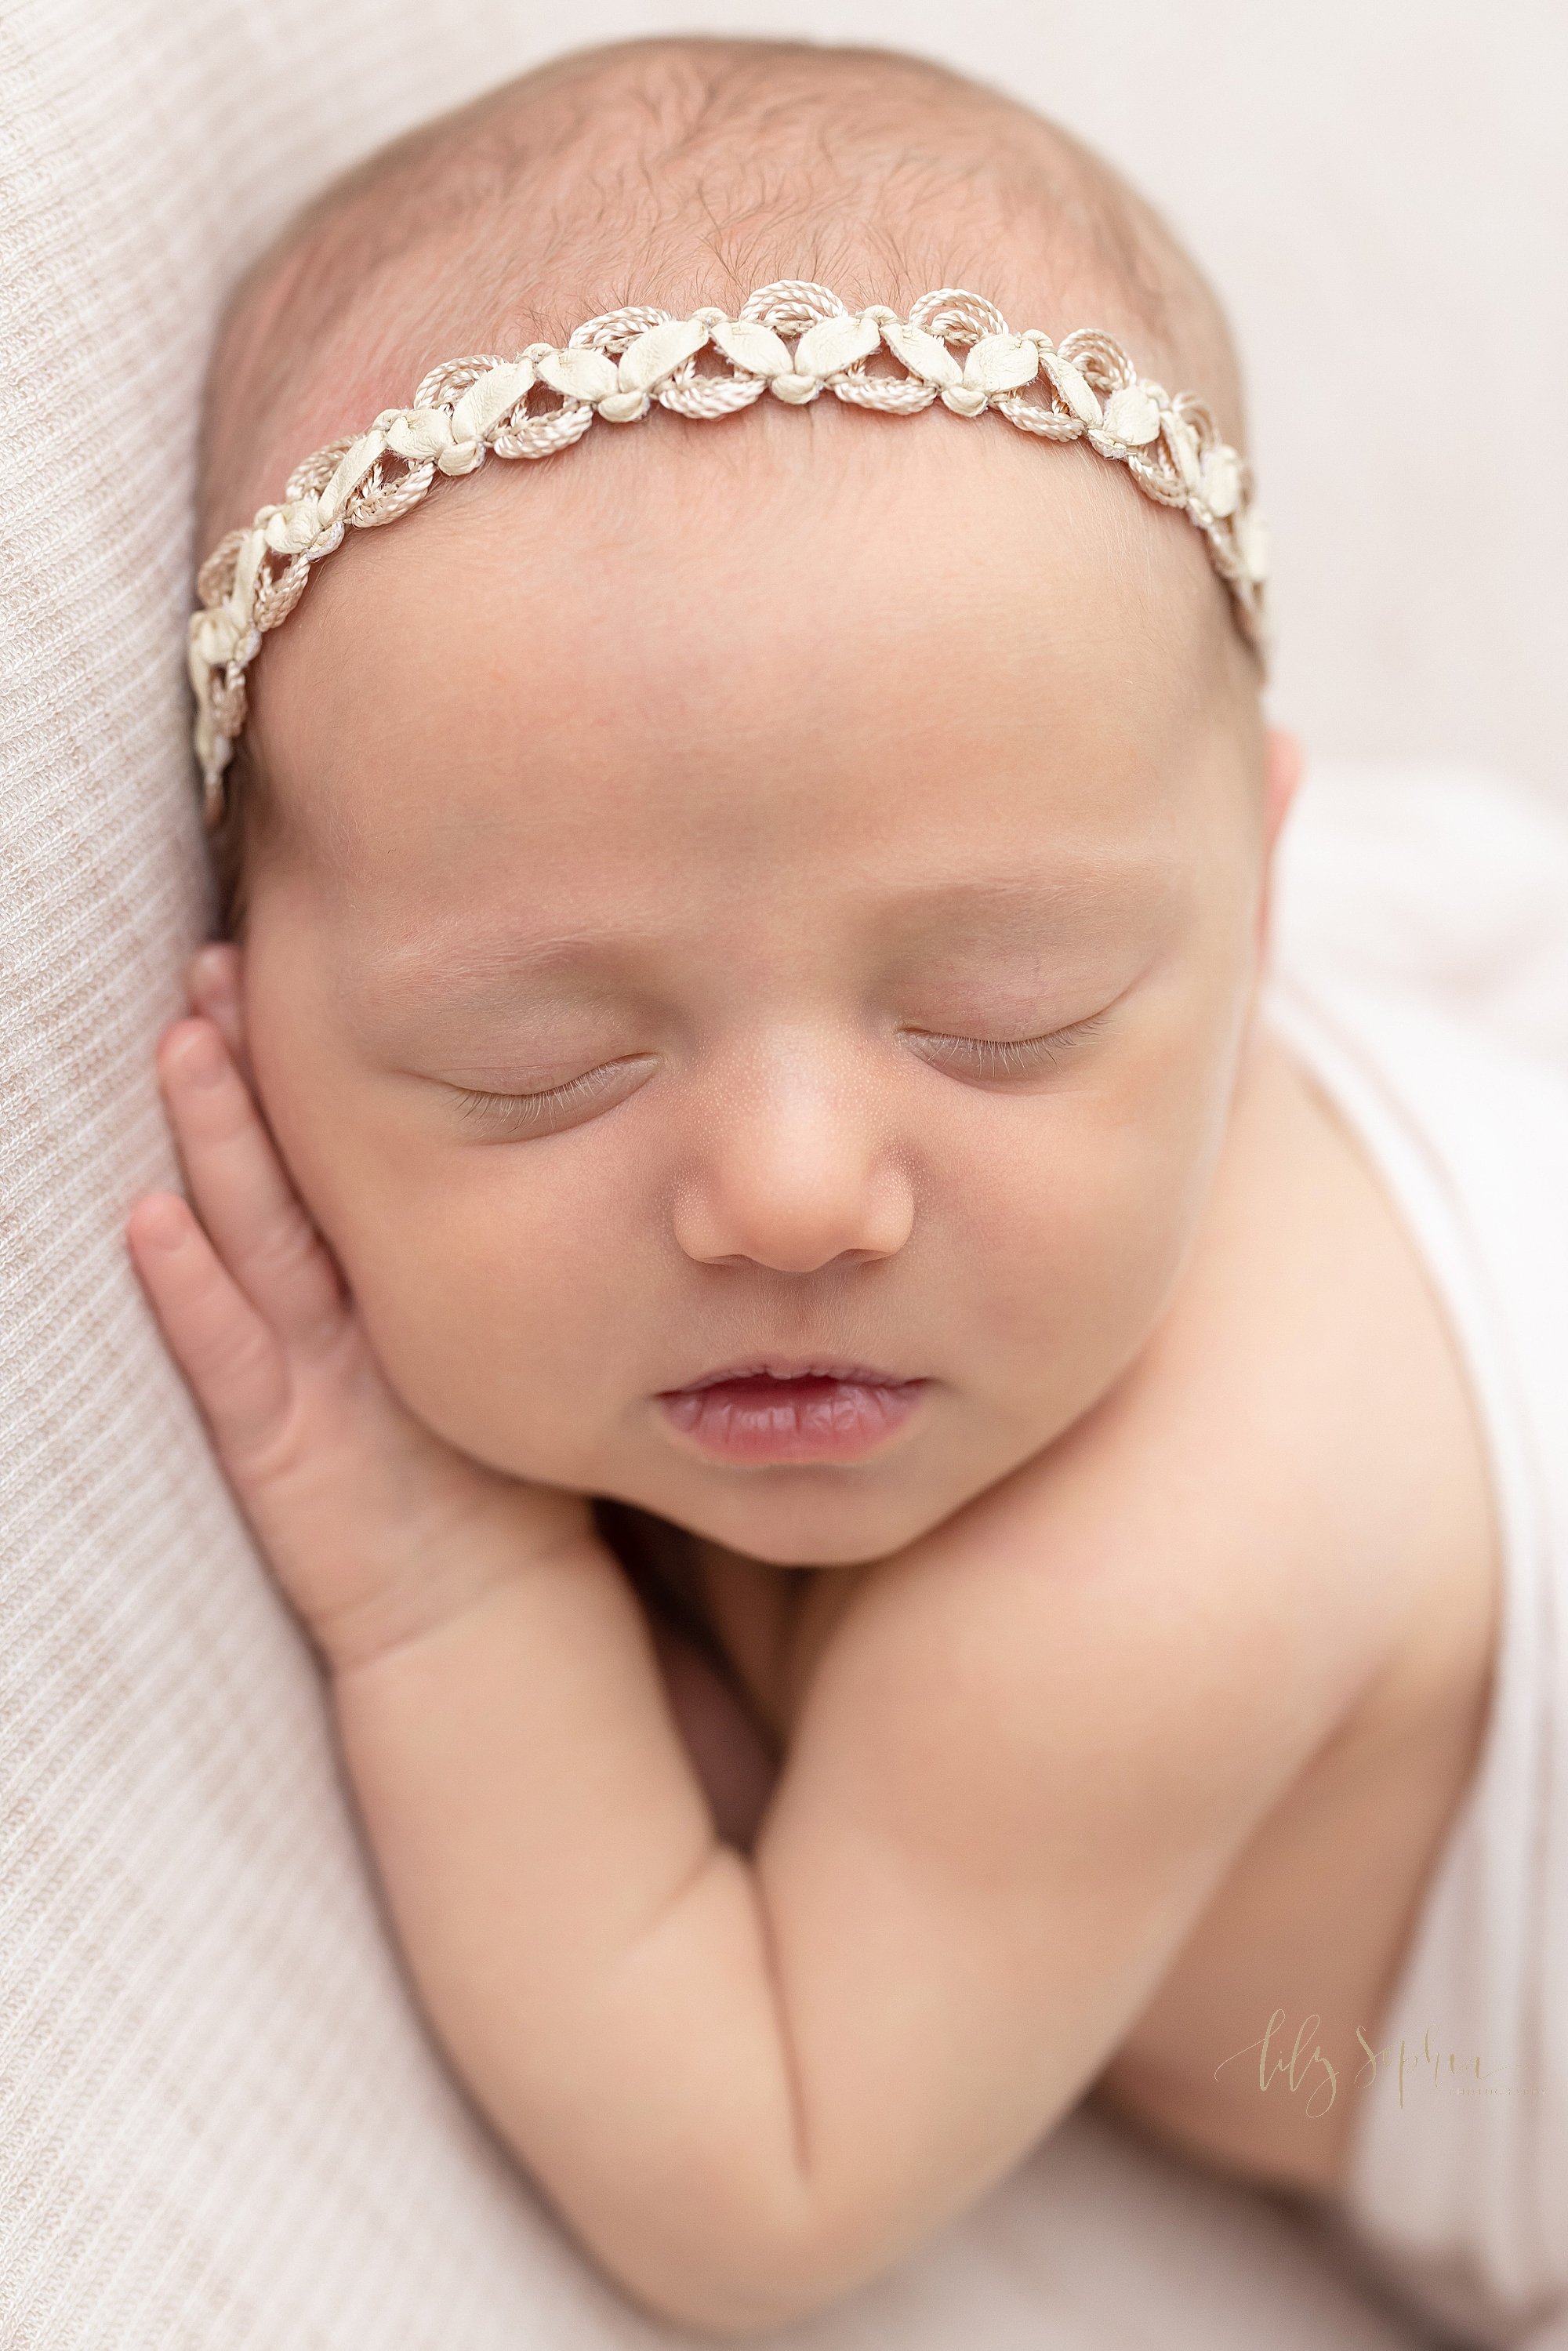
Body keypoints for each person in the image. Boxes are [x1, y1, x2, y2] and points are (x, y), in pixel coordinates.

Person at [125, 34, 1566, 2345]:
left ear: (1264, 910)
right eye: (548, 1062)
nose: (795, 1197)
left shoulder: (1147, 1582)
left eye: (1004, 1014)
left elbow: (760, 2169)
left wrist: (441, 1577)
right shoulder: (985, 1144)